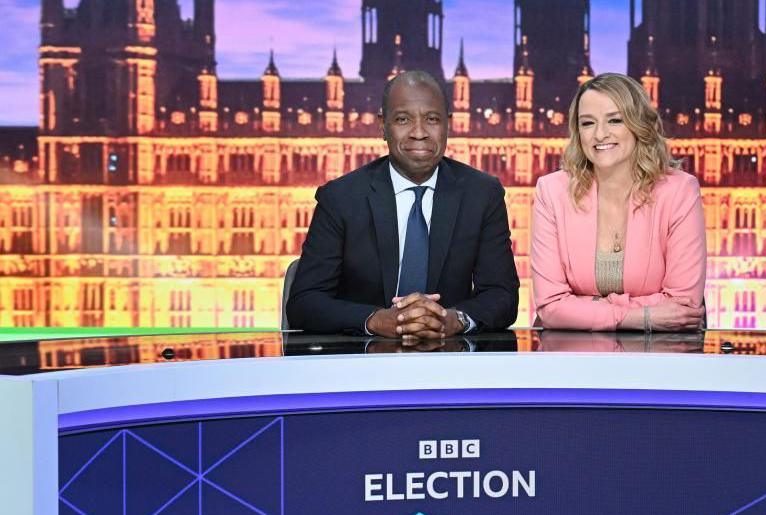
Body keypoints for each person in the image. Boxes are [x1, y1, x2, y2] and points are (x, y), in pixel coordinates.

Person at [286, 70, 519, 337]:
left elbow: (503, 297)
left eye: (432, 119)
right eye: (403, 119)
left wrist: (454, 320)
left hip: (451, 362)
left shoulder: (482, 194)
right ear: (382, 126)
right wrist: (374, 320)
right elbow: (305, 302)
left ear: (448, 125)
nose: (418, 133)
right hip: (359, 363)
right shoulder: (340, 198)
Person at [531, 73, 706, 331]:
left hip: (660, 357)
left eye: (614, 120)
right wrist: (640, 316)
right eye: (588, 123)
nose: (600, 134)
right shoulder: (551, 191)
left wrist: (583, 307)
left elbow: (682, 306)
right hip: (572, 358)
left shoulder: (679, 191)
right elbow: (551, 307)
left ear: (638, 125)